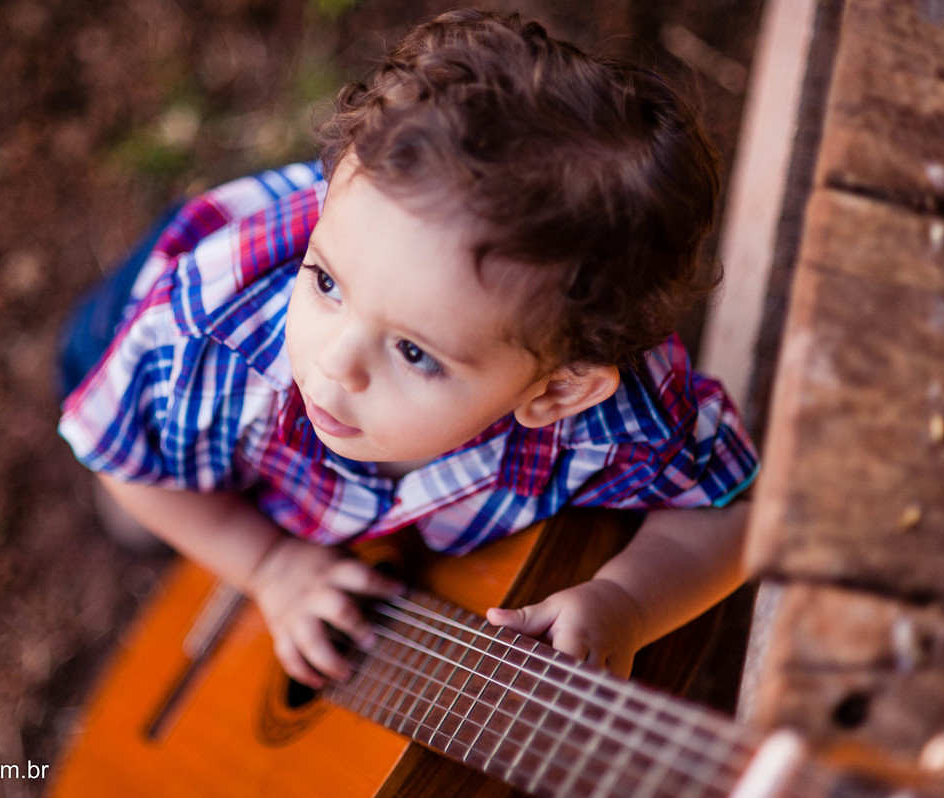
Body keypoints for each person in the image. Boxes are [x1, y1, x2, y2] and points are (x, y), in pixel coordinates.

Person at [57, 9, 758, 688]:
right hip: (142, 318)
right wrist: (271, 566)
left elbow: (731, 509)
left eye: (415, 353)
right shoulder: (204, 341)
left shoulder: (613, 413)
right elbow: (132, 466)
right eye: (326, 283)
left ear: (556, 392)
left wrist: (628, 602)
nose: (334, 362)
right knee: (137, 515)